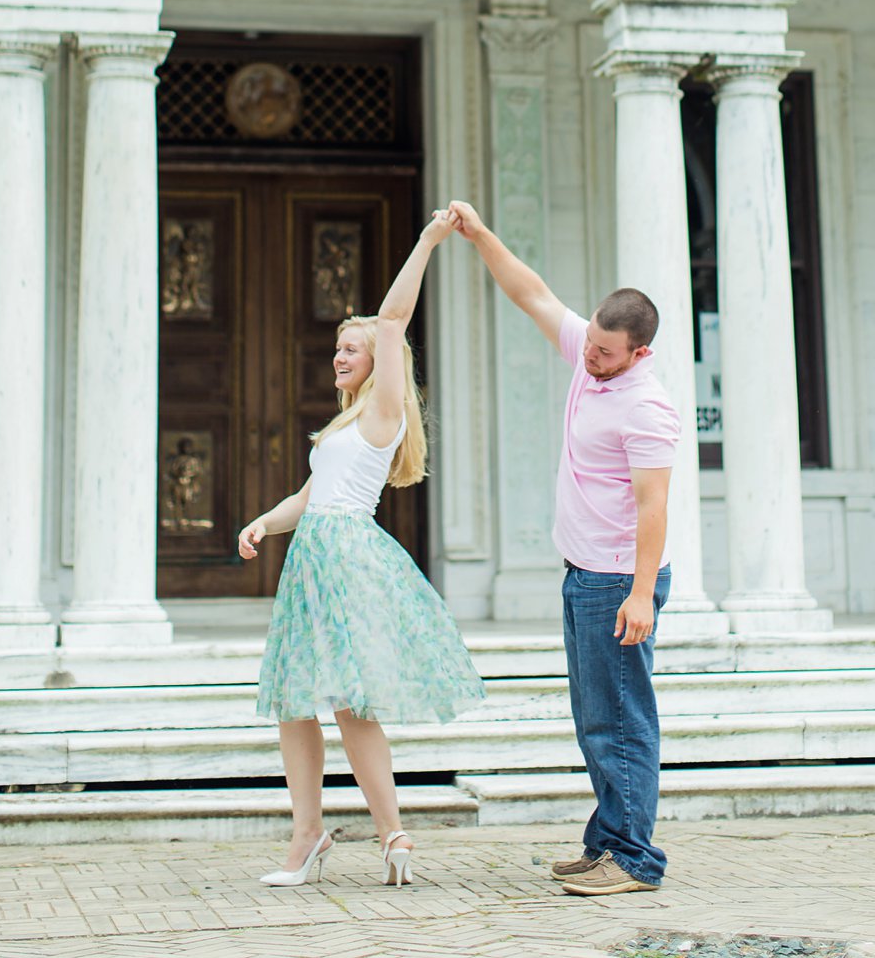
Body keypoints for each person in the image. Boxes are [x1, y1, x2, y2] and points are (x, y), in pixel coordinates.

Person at [240, 210, 485, 889]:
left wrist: (430, 239)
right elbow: (308, 496)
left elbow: (394, 316)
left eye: (353, 348)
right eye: (340, 349)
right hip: (314, 556)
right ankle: (337, 832)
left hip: (343, 559)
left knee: (348, 703)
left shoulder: (382, 411)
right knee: (301, 700)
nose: (341, 356)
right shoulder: (343, 426)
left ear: (379, 362)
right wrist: (265, 520)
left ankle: (354, 830)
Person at [447, 199, 676, 897]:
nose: (592, 358)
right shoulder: (589, 355)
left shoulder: (647, 404)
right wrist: (481, 234)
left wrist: (641, 592)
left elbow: (653, 504)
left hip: (617, 582)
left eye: (607, 352)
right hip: (586, 576)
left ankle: (635, 859)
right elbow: (531, 291)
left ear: (641, 352)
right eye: (591, 346)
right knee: (594, 718)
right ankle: (606, 839)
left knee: (621, 719)